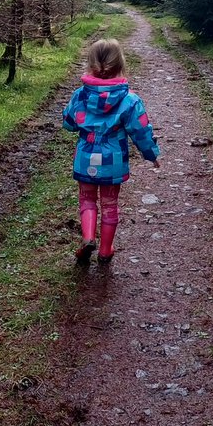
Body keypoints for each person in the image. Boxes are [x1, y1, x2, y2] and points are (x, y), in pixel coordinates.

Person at [62, 37, 160, 266]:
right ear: (120, 65)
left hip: (86, 155)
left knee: (86, 199)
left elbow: (68, 123)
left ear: (90, 64)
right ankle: (105, 250)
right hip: (113, 158)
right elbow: (141, 130)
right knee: (110, 204)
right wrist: (151, 154)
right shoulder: (129, 100)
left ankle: (88, 238)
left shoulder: (80, 95)